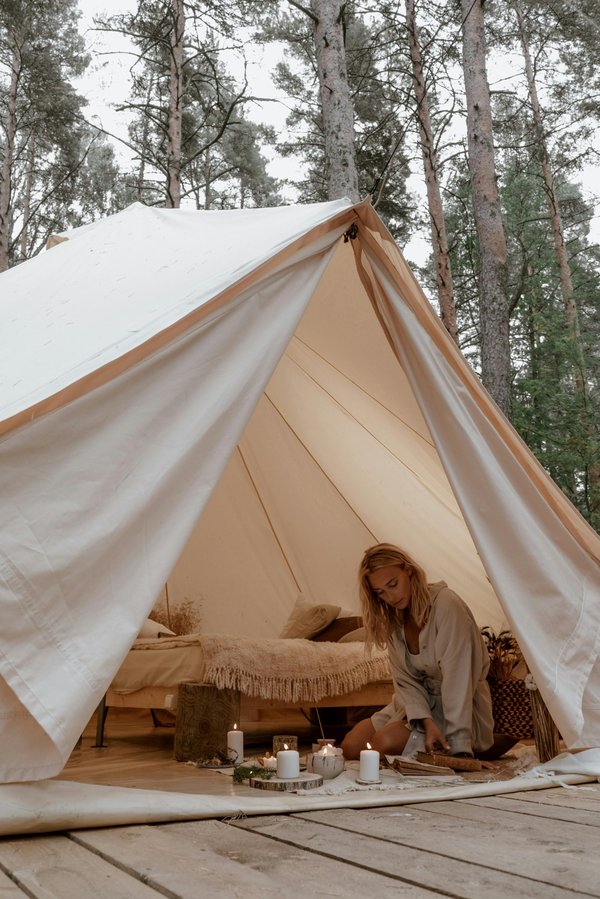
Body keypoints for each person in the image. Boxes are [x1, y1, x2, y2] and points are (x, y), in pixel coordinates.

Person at [341, 543, 498, 761]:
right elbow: (405, 681)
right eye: (380, 593)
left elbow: (459, 678)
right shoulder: (394, 619)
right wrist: (425, 720)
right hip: (415, 704)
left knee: (382, 744)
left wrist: (459, 746)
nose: (390, 597)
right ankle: (414, 731)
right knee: (351, 745)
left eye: (393, 584)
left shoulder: (446, 605)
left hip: (456, 706)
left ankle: (465, 741)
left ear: (409, 570)